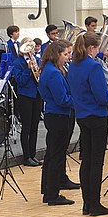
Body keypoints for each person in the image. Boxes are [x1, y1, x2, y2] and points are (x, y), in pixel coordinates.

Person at [67, 33, 108, 216]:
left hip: (82, 114)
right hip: (96, 115)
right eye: (97, 48)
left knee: (86, 160)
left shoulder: (74, 65)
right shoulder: (93, 66)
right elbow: (102, 96)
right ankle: (95, 204)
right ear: (91, 48)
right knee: (96, 161)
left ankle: (87, 203)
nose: (98, 52)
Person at [38, 40, 77, 206]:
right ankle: (53, 193)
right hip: (58, 115)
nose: (68, 58)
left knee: (52, 154)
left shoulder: (51, 69)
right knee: (56, 155)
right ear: (56, 54)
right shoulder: (53, 73)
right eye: (65, 54)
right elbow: (62, 99)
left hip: (55, 115)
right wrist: (80, 100)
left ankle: (48, 190)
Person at [12, 37, 43, 167]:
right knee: (26, 127)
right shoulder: (18, 62)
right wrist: (28, 70)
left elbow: (39, 77)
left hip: (37, 95)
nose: (31, 49)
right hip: (25, 96)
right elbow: (20, 81)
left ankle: (33, 154)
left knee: (35, 126)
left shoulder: (36, 59)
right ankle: (26, 157)